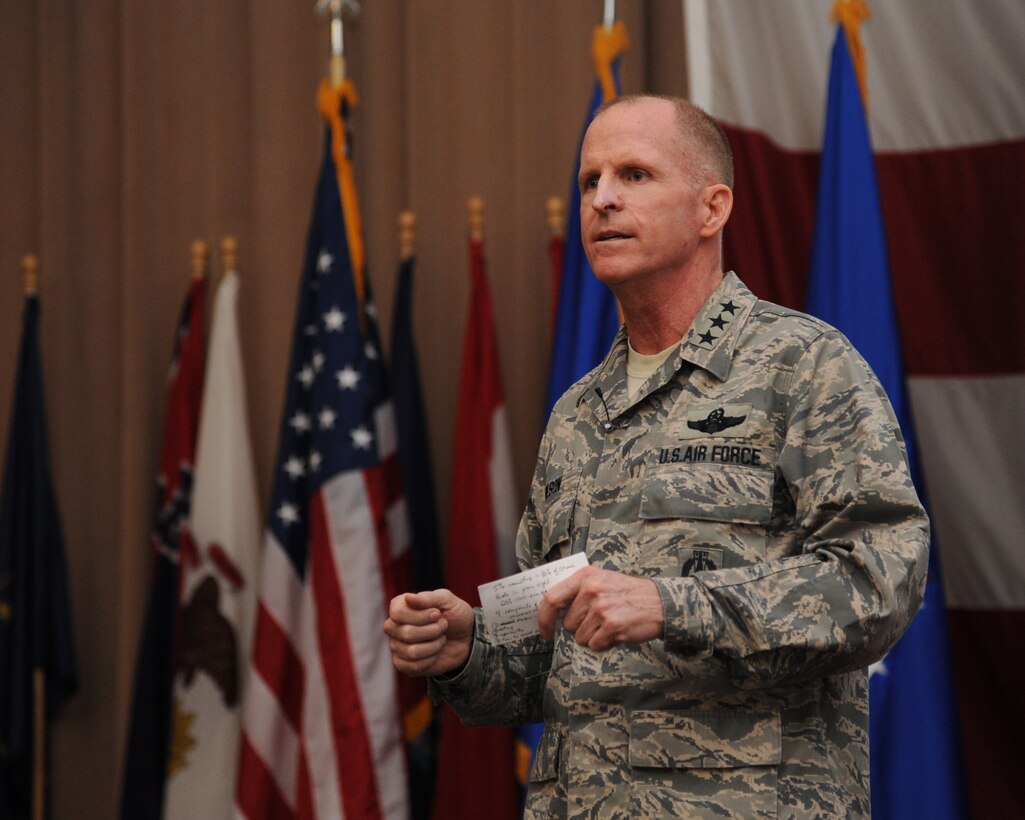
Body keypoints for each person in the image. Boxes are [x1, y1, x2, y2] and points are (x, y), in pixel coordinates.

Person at [384, 94, 928, 818]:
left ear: (712, 208)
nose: (602, 199)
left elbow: (879, 582)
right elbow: (545, 658)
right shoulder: (576, 413)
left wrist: (673, 605)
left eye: (633, 175)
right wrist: (468, 649)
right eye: (589, 181)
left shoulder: (803, 367)